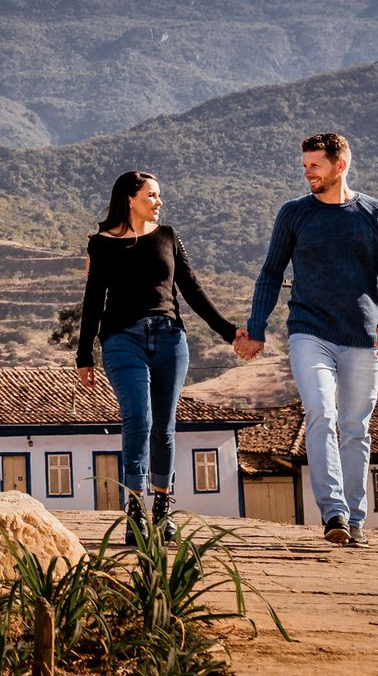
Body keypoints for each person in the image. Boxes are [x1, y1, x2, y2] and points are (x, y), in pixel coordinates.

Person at [236, 132, 378, 547]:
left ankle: (356, 517)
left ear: (340, 165)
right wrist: (256, 327)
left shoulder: (375, 214)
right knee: (320, 412)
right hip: (309, 331)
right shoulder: (294, 214)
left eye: (315, 165)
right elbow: (270, 273)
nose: (307, 172)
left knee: (355, 427)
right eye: (305, 165)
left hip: (363, 337)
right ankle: (334, 514)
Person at [76, 170, 242, 537]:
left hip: (169, 338)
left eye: (158, 195)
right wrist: (84, 355)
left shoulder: (168, 236)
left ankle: (163, 507)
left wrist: (230, 332)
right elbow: (93, 299)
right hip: (122, 339)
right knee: (139, 418)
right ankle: (136, 508)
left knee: (164, 426)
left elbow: (192, 289)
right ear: (130, 199)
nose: (159, 201)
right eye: (151, 195)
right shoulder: (101, 244)